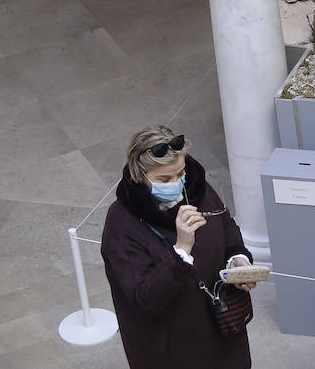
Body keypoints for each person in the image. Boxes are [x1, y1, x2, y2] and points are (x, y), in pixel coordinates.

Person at [101, 127, 258, 369]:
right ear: (139, 175)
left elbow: (226, 225)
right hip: (172, 350)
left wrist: (237, 258)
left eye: (180, 173)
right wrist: (181, 250)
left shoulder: (197, 189)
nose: (177, 184)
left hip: (224, 332)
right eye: (164, 179)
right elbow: (143, 301)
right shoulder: (122, 224)